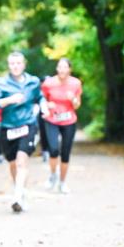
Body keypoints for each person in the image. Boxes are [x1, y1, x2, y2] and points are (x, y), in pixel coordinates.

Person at [0, 51, 49, 213]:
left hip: (27, 124)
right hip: (7, 127)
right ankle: (19, 192)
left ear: (24, 64)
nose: (15, 66)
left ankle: (17, 196)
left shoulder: (33, 82)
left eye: (18, 63)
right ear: (9, 65)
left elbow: (39, 97)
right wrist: (9, 100)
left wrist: (44, 106)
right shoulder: (0, 83)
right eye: (12, 64)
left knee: (22, 161)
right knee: (13, 163)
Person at [41, 58, 82, 193]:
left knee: (65, 153)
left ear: (69, 69)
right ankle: (53, 175)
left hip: (69, 120)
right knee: (53, 150)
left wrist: (73, 99)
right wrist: (47, 105)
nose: (62, 70)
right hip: (52, 119)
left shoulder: (75, 83)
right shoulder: (49, 83)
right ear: (57, 69)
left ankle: (62, 182)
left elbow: (77, 105)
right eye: (60, 67)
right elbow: (41, 100)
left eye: (65, 67)